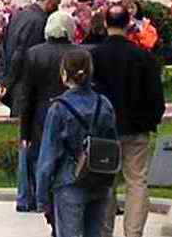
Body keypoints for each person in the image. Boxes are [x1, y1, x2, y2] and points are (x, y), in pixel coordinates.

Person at [89, 5, 165, 237]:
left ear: (105, 24)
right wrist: (151, 120)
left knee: (106, 184)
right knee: (137, 181)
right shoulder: (143, 56)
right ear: (128, 24)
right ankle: (133, 232)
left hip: (103, 130)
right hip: (136, 127)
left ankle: (104, 231)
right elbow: (155, 95)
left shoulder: (94, 56)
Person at [35, 49, 118, 237]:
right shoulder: (104, 104)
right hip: (99, 179)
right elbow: (113, 143)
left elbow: (48, 156)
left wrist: (41, 197)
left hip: (69, 181)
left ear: (64, 74)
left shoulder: (58, 109)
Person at [14, 11, 77, 210]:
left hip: (41, 110)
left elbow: (28, 93)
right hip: (69, 110)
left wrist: (25, 128)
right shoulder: (77, 53)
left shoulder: (34, 53)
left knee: (39, 156)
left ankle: (38, 197)